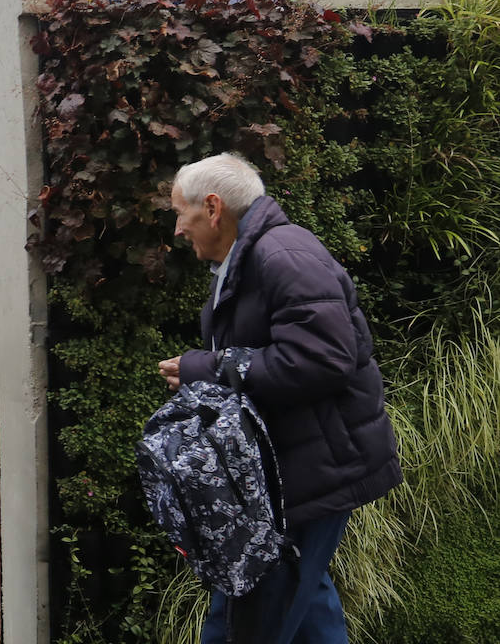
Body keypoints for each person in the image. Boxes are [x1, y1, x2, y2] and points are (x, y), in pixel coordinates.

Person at [156, 153, 402, 644]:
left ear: (212, 207)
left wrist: (203, 368)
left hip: (310, 470)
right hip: (294, 466)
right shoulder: (254, 257)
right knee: (304, 606)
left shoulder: (282, 255)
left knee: (249, 619)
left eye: (179, 213)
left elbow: (324, 359)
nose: (178, 230)